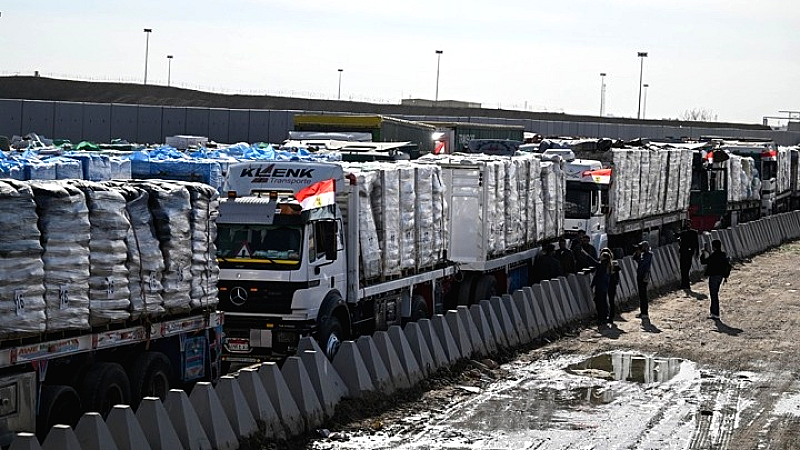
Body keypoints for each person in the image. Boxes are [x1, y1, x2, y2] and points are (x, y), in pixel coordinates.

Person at [700, 239, 732, 320]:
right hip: (720, 277)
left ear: (713, 247)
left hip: (714, 276)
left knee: (713, 295)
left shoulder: (714, 255)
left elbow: (704, 261)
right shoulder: (722, 254)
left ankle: (715, 313)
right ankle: (714, 312)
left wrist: (704, 253)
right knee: (715, 294)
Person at [590, 251, 612, 326]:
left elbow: (597, 276)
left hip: (600, 286)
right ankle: (604, 317)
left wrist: (592, 285)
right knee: (603, 302)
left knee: (599, 302)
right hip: (604, 286)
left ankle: (601, 318)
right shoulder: (608, 265)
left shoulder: (603, 265)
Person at [633, 241, 653, 319]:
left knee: (643, 295)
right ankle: (642, 312)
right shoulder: (644, 254)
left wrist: (640, 255)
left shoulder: (648, 255)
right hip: (640, 275)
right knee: (641, 295)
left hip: (644, 276)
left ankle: (645, 312)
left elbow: (641, 263)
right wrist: (637, 252)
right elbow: (634, 258)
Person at [678, 220, 700, 289]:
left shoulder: (692, 233)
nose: (687, 225)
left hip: (688, 252)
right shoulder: (683, 233)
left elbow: (696, 243)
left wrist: (697, 252)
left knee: (686, 268)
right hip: (684, 252)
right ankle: (685, 283)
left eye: (688, 224)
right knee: (683, 268)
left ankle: (685, 284)